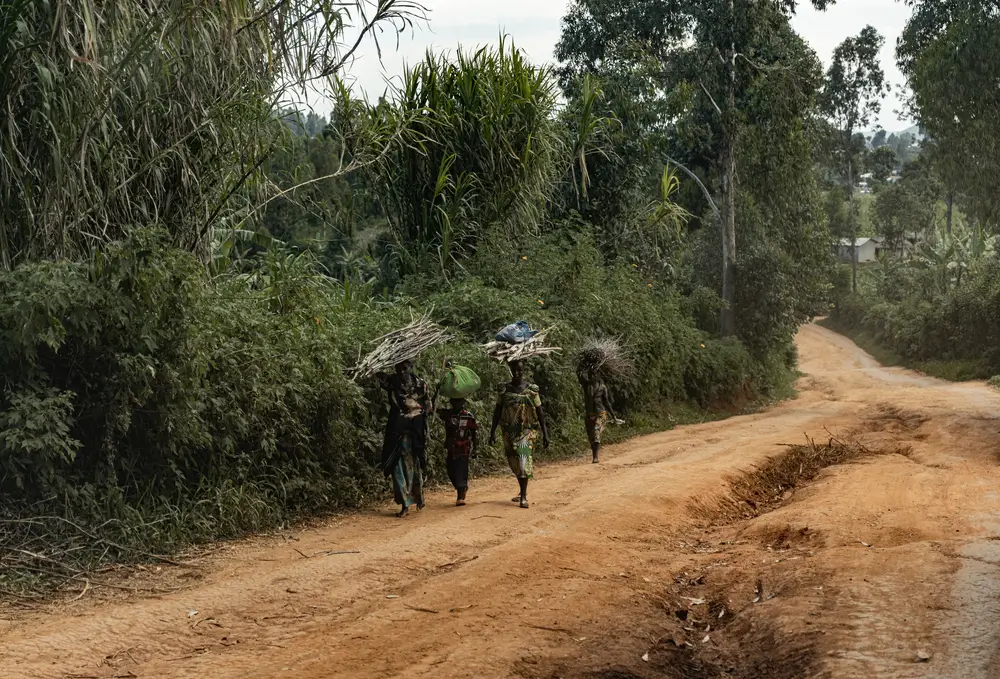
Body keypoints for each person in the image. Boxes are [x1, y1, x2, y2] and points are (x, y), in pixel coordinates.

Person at [490, 360, 549, 509]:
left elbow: (540, 412)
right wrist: (492, 432)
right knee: (514, 463)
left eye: (520, 371)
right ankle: (522, 490)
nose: (517, 374)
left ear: (524, 371)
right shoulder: (504, 390)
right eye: (514, 371)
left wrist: (545, 433)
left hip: (526, 431)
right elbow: (497, 411)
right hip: (508, 431)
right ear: (510, 370)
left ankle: (523, 497)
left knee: (523, 461)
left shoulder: (531, 390)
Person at [378, 360, 429, 518]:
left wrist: (419, 415)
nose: (401, 372)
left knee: (413, 465)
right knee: (396, 466)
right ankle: (405, 504)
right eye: (398, 368)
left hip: (414, 432)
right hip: (397, 430)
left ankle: (416, 498)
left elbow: (428, 406)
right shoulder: (392, 382)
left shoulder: (421, 384)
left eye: (404, 368)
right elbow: (378, 375)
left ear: (411, 367)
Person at [437, 397, 479, 506]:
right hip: (451, 448)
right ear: (451, 402)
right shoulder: (447, 414)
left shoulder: (468, 415)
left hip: (463, 447)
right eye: (454, 401)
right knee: (450, 470)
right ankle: (461, 488)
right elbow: (432, 409)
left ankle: (460, 497)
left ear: (463, 402)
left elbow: (474, 432)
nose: (457, 404)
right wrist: (435, 394)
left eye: (459, 402)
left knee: (461, 470)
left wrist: (475, 449)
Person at [579, 369, 617, 464]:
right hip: (589, 415)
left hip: (600, 414)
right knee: (591, 437)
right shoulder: (587, 386)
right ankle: (594, 455)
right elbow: (579, 375)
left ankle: (595, 457)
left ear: (598, 376)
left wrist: (613, 415)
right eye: (590, 374)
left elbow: (606, 402)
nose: (592, 376)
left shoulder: (602, 388)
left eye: (594, 374)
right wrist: (584, 366)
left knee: (596, 433)